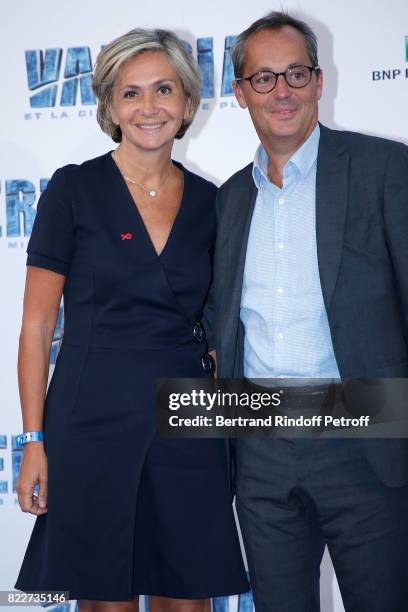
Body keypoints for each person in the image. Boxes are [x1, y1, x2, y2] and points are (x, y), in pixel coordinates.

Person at [14, 28, 249, 612]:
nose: (150, 108)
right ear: (110, 107)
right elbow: (38, 325)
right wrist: (34, 441)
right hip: (91, 415)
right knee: (104, 599)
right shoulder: (74, 189)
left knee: (187, 598)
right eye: (131, 93)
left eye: (164, 90)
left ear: (188, 103)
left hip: (188, 418)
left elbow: (220, 327)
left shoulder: (210, 201)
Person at [207, 10, 408, 612]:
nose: (282, 91)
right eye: (263, 79)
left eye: (296, 73)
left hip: (367, 435)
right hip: (261, 448)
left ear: (320, 82)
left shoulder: (384, 170)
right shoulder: (227, 202)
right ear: (241, 95)